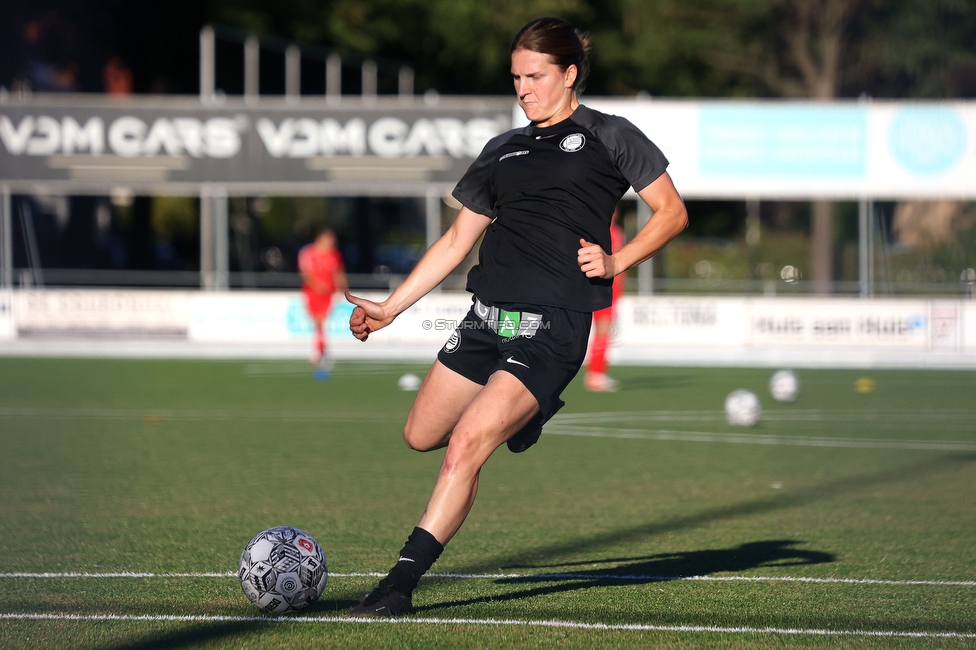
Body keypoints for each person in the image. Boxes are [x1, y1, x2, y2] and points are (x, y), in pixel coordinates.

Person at [345, 16, 688, 616]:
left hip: (553, 324)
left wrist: (616, 262)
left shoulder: (610, 135)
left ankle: (399, 582)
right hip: (484, 318)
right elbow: (456, 241)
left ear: (569, 73)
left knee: (467, 446)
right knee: (421, 435)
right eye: (516, 78)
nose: (523, 89)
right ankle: (528, 417)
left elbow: (671, 212)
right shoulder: (502, 149)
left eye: (535, 76)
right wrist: (391, 309)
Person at [585, 205, 626, 392]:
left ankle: (595, 373)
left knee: (602, 332)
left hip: (606, 288)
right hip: (605, 288)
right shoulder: (609, 232)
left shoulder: (599, 230)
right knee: (603, 332)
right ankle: (596, 374)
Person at [298, 225, 347, 370]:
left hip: (328, 294)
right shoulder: (308, 253)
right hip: (313, 293)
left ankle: (320, 352)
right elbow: (305, 273)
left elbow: (338, 272)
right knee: (318, 321)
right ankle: (319, 352)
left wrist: (342, 288)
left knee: (322, 322)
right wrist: (318, 285)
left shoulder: (334, 254)